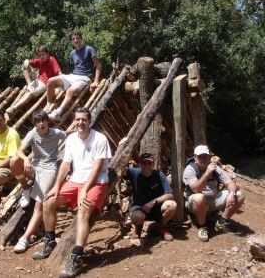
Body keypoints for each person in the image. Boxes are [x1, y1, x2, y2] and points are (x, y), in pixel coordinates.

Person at [32, 107, 112, 278]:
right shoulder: (71, 139)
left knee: (83, 212)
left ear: (90, 121)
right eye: (77, 119)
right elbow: (65, 165)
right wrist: (56, 186)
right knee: (48, 202)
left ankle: (77, 256)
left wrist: (84, 190)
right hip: (75, 180)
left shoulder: (100, 139)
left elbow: (97, 168)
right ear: (73, 121)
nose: (80, 123)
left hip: (96, 182)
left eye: (84, 119)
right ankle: (50, 240)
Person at [10, 110, 67, 253]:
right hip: (35, 167)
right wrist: (26, 159)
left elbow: (69, 134)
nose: (41, 124)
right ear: (35, 124)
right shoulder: (32, 133)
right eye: (38, 122)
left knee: (38, 206)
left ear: (48, 121)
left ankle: (25, 238)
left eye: (43, 121)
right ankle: (25, 189)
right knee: (14, 161)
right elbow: (20, 150)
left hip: (49, 169)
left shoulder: (55, 133)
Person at [183, 145, 245, 242]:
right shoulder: (190, 169)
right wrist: (207, 173)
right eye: (200, 156)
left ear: (209, 157)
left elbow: (230, 183)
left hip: (214, 199)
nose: (203, 159)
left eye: (205, 156)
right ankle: (202, 227)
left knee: (239, 195)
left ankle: (222, 222)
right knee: (199, 197)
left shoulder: (215, 169)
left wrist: (232, 194)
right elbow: (196, 190)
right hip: (195, 202)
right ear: (195, 157)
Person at [45, 30, 102, 121]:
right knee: (50, 81)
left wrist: (95, 81)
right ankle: (48, 105)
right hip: (73, 76)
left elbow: (98, 65)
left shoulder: (89, 49)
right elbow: (75, 67)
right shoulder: (72, 53)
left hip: (84, 77)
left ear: (81, 38)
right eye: (73, 39)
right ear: (71, 41)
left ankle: (58, 112)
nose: (75, 40)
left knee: (70, 91)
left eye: (77, 38)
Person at [123, 153, 177, 242]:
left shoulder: (159, 175)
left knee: (172, 205)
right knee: (136, 217)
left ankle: (159, 226)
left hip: (155, 207)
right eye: (144, 163)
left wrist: (153, 202)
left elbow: (170, 195)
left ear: (153, 164)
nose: (146, 166)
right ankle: (139, 227)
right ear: (139, 164)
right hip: (139, 207)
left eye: (149, 163)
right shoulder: (134, 172)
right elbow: (121, 170)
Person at [6, 45, 61, 116]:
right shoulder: (40, 60)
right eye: (40, 55)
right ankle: (29, 84)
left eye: (43, 54)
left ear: (47, 54)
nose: (42, 56)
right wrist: (26, 61)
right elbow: (27, 63)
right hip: (38, 78)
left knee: (30, 93)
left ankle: (14, 107)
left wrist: (62, 82)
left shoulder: (51, 59)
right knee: (24, 66)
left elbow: (58, 72)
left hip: (45, 83)